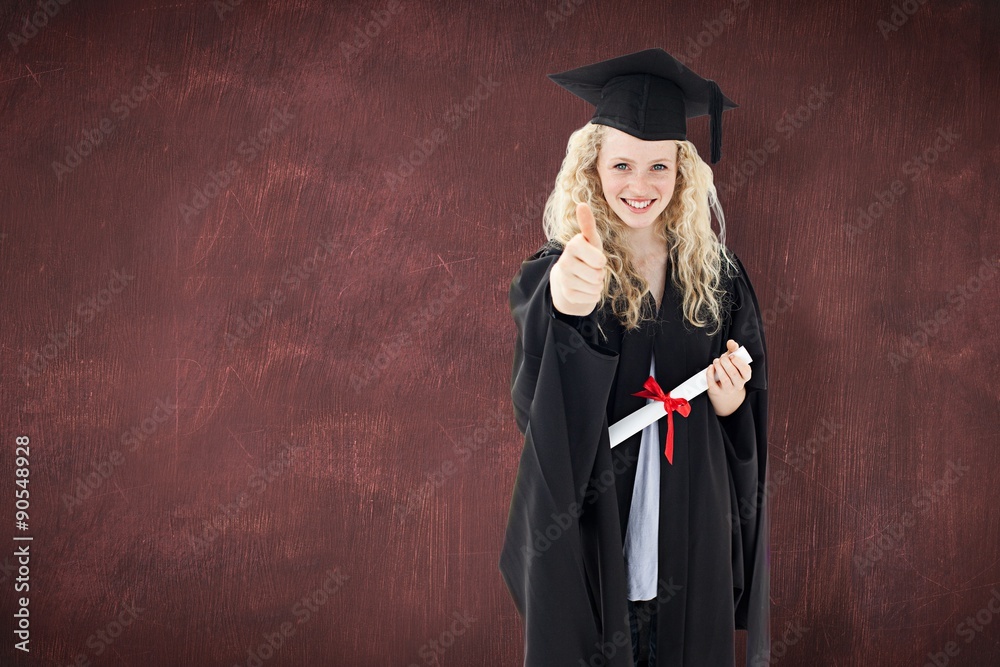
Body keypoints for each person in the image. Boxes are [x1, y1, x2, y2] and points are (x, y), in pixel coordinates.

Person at [499, 49, 770, 667]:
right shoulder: (563, 266)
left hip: (689, 509)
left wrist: (730, 400)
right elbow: (535, 401)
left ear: (683, 172)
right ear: (592, 167)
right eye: (621, 164)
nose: (640, 185)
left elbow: (744, 406)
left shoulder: (717, 278)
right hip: (603, 510)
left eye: (659, 166)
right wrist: (566, 303)